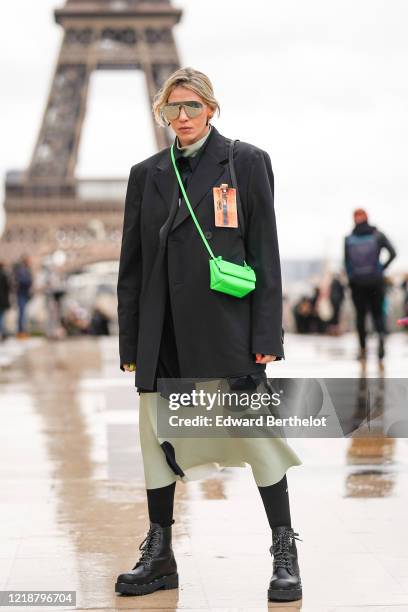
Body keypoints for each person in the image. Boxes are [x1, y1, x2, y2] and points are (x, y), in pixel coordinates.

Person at [115, 67, 303, 602]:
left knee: (259, 438)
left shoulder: (245, 162)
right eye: (172, 109)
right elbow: (131, 266)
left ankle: (284, 548)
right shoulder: (146, 173)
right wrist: (133, 344)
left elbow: (265, 252)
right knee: (156, 441)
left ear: (211, 108)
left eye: (191, 106)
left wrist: (267, 334)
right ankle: (160, 553)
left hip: (226, 330)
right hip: (163, 332)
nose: (182, 118)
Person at [344, 208, 396, 364]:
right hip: (375, 281)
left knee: (361, 316)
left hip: (358, 283)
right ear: (367, 217)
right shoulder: (378, 235)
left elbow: (346, 263)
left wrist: (352, 278)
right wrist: (381, 268)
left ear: (354, 219)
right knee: (378, 314)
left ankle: (363, 350)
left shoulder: (349, 238)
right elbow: (393, 253)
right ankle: (380, 341)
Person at [12, 254, 33, 338]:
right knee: (22, 313)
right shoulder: (22, 270)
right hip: (21, 293)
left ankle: (23, 330)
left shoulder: (26, 270)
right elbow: (23, 281)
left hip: (25, 294)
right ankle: (20, 331)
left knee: (24, 313)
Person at [0, 261, 11, 341]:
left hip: (2, 299)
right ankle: (3, 333)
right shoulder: (4, 275)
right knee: (2, 317)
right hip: (2, 299)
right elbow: (8, 287)